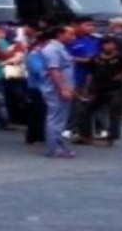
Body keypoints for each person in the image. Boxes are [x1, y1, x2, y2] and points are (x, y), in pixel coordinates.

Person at [78, 37, 122, 146]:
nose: (109, 46)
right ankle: (85, 135)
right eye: (106, 44)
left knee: (113, 114)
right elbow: (90, 73)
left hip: (115, 89)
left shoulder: (121, 57)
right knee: (85, 110)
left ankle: (111, 138)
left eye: (112, 44)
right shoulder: (96, 58)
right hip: (98, 89)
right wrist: (86, 88)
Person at [40, 25, 77, 158]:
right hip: (55, 89)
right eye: (70, 34)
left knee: (60, 119)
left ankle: (58, 146)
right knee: (56, 119)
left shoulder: (60, 48)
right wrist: (63, 88)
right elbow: (53, 71)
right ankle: (54, 148)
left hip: (62, 88)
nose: (73, 37)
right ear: (60, 34)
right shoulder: (51, 49)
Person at [65, 17, 100, 138]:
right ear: (77, 26)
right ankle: (70, 127)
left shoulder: (96, 40)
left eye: (92, 25)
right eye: (87, 25)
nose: (91, 28)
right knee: (74, 103)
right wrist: (80, 59)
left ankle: (94, 129)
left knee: (91, 103)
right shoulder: (71, 41)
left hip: (92, 76)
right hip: (75, 75)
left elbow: (96, 58)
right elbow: (65, 57)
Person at [25, 30, 49, 145]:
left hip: (45, 87)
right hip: (37, 87)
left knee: (43, 112)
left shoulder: (44, 54)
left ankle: (41, 135)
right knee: (37, 113)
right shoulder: (35, 54)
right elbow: (39, 71)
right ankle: (34, 137)